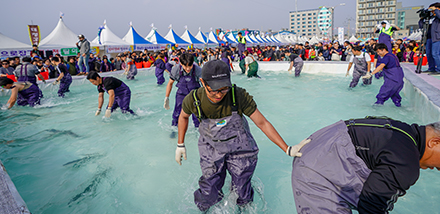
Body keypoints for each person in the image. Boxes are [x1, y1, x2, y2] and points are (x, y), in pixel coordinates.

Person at [175, 60, 295, 211]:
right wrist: (180, 144)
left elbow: (262, 123)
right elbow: (183, 117)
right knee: (210, 189)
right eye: (213, 90)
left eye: (224, 89)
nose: (219, 94)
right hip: (211, 147)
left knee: (242, 189)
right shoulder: (194, 99)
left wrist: (287, 149)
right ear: (202, 83)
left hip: (240, 147)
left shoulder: (238, 95)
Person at [291, 116, 440, 213]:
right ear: (434, 142)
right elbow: (372, 206)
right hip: (316, 171)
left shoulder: (402, 130)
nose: (437, 168)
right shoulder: (406, 162)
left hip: (318, 147)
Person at [164, 53, 201, 133]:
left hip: (195, 94)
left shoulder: (197, 69)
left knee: (197, 114)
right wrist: (166, 97)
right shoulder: (176, 69)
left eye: (190, 66)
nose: (188, 68)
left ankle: (198, 131)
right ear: (181, 63)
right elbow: (170, 83)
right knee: (177, 113)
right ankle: (174, 130)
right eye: (185, 66)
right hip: (181, 94)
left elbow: (204, 84)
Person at [419, 3, 440, 73]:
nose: (431, 11)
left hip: (437, 37)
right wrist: (422, 18)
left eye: (432, 9)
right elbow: (421, 26)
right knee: (429, 54)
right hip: (428, 37)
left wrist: (436, 10)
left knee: (435, 53)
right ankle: (431, 68)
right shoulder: (430, 17)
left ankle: (439, 69)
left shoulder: (438, 16)